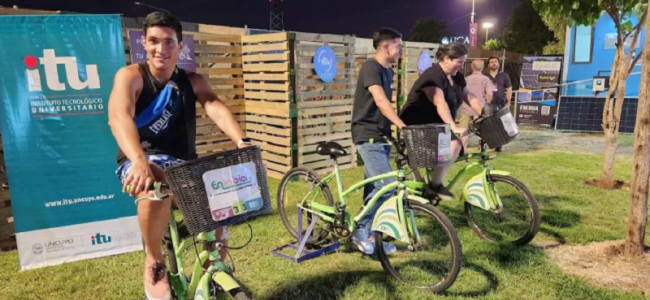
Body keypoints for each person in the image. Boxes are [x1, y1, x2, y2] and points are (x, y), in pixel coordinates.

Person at [108, 12, 251, 300]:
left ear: (180, 46)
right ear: (144, 44)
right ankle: (154, 262)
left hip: (182, 163)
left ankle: (215, 266)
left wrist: (242, 140)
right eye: (154, 41)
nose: (162, 49)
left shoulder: (193, 80)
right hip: (141, 160)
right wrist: (137, 159)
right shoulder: (131, 76)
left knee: (219, 199)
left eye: (169, 42)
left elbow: (215, 106)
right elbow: (118, 116)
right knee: (155, 187)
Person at [399, 42, 484, 200]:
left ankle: (431, 178)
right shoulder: (432, 75)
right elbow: (439, 102)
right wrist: (453, 127)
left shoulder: (457, 77)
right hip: (418, 123)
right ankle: (434, 186)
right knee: (455, 144)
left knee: (453, 149)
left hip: (437, 124)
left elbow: (470, 97)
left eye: (463, 62)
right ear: (446, 58)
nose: (461, 66)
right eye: (459, 62)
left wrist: (484, 115)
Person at [350, 28, 406, 255]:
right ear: (386, 47)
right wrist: (400, 124)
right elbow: (381, 101)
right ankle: (359, 228)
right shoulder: (370, 67)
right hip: (367, 133)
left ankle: (373, 235)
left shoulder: (389, 71)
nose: (401, 51)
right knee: (387, 186)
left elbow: (386, 107)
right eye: (399, 46)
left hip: (381, 135)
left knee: (374, 186)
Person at [458, 59, 493, 147]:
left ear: (472, 67)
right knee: (484, 129)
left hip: (466, 108)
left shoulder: (466, 79)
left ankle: (463, 148)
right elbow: (489, 94)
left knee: (463, 129)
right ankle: (483, 147)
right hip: (480, 109)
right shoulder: (486, 79)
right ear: (483, 67)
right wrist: (488, 104)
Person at [486, 56, 512, 151]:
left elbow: (509, 89)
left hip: (500, 103)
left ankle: (499, 145)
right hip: (487, 104)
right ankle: (487, 143)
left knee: (500, 124)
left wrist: (508, 101)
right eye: (491, 62)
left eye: (495, 62)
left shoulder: (504, 75)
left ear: (498, 63)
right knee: (489, 125)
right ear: (488, 64)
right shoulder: (485, 76)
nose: (494, 63)